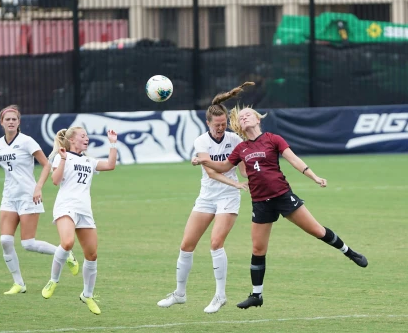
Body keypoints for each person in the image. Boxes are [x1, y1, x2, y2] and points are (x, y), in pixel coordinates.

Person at [193, 104, 368, 309]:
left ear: (258, 119)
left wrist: (314, 177)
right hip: (260, 202)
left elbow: (294, 160)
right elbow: (223, 167)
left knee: (317, 231)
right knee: (258, 248)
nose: (244, 118)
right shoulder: (241, 148)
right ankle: (256, 295)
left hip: (282, 196)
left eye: (248, 114)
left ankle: (349, 252)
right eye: (241, 118)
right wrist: (202, 161)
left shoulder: (273, 139)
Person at [157, 83, 252, 314]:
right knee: (186, 245)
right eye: (216, 125)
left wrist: (249, 168)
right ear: (207, 124)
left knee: (215, 243)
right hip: (208, 196)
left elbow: (242, 171)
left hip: (228, 198)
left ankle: (220, 295)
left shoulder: (235, 140)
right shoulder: (201, 142)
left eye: (223, 124)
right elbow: (210, 172)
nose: (221, 128)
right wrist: (235, 182)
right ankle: (179, 294)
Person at [0, 105, 78, 295]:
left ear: (19, 122)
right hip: (9, 197)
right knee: (5, 240)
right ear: (1, 122)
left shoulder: (27, 141)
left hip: (28, 196)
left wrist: (38, 187)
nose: (11, 122)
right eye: (8, 119)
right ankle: (19, 283)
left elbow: (46, 165)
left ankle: (66, 253)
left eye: (14, 119)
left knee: (27, 243)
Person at [40, 126, 118, 315]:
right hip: (66, 206)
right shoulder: (62, 156)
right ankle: (53, 280)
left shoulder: (89, 161)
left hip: (84, 211)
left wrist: (112, 143)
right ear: (72, 140)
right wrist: (65, 158)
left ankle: (87, 294)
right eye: (83, 136)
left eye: (87, 136)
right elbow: (55, 181)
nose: (87, 139)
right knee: (67, 243)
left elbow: (110, 165)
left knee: (92, 255)